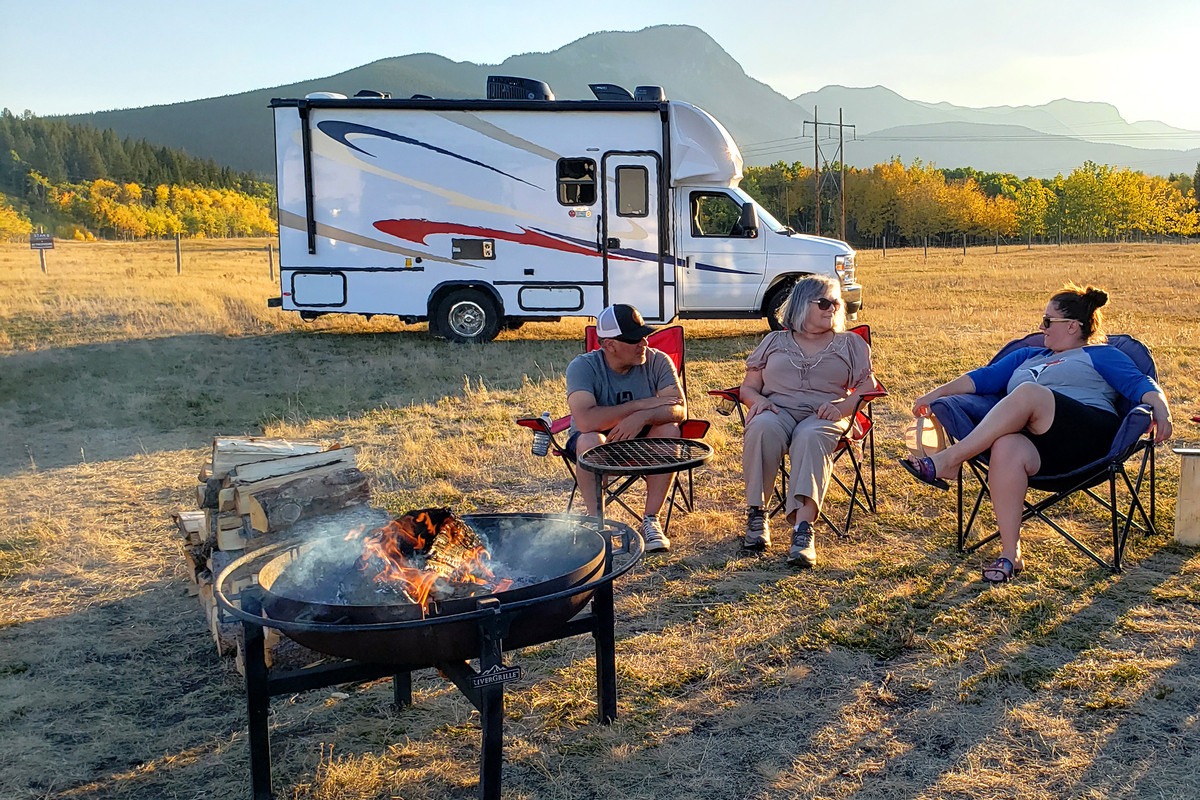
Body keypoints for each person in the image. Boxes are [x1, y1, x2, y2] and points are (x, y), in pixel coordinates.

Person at [901, 284, 1173, 583]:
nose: (1040, 327)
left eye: (1047, 321)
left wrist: (1162, 409)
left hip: (1088, 438)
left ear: (1072, 326)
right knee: (1006, 446)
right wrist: (932, 395)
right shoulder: (1028, 355)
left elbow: (1140, 384)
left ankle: (949, 460)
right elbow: (982, 378)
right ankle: (1010, 555)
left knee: (1029, 393)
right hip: (1042, 448)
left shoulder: (1102, 355)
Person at [739, 275, 876, 567]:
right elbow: (748, 387)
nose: (833, 309)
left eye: (837, 303)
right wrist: (758, 401)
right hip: (778, 410)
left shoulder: (850, 343)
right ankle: (757, 516)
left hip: (824, 414)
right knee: (761, 427)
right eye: (824, 302)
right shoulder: (773, 341)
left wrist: (844, 407)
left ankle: (803, 531)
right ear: (802, 305)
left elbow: (869, 386)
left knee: (810, 436)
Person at [566, 303, 686, 552]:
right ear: (609, 344)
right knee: (590, 441)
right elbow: (586, 421)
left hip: (642, 440)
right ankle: (597, 524)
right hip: (597, 442)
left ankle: (651, 520)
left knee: (670, 430)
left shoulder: (658, 361)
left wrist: (641, 418)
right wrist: (641, 404)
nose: (644, 343)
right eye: (635, 339)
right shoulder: (583, 367)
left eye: (644, 336)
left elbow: (679, 409)